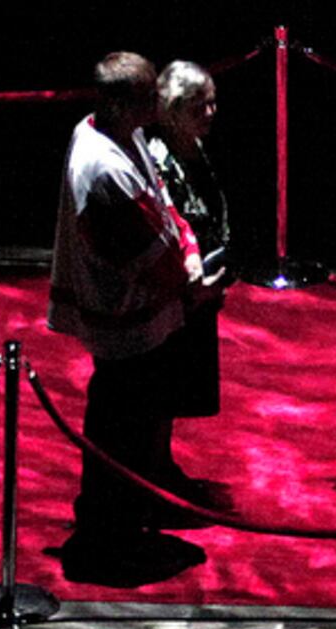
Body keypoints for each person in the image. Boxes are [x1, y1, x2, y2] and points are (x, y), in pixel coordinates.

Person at [51, 52, 203, 580]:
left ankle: (119, 524)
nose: (157, 102)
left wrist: (186, 246)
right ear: (118, 102)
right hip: (127, 324)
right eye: (146, 96)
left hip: (141, 317)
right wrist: (190, 279)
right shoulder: (103, 165)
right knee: (122, 435)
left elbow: (160, 204)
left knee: (128, 430)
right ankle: (110, 540)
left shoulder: (122, 132)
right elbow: (145, 251)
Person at [142, 62, 235, 507]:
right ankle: (151, 469)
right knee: (161, 384)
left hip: (201, 288)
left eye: (214, 102)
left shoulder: (194, 146)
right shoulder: (157, 158)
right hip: (174, 291)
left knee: (178, 384)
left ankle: (160, 462)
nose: (213, 112)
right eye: (201, 106)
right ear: (173, 111)